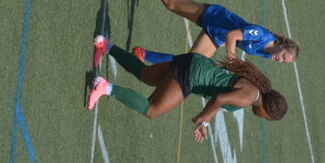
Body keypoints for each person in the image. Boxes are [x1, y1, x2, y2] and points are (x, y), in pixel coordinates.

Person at [88, 35, 288, 142]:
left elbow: (220, 101)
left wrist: (205, 122)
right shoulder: (249, 97)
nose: (262, 118)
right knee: (152, 110)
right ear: (268, 110)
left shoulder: (252, 91)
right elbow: (219, 99)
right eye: (266, 117)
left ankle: (105, 45)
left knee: (145, 74)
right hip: (193, 75)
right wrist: (202, 117)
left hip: (194, 62)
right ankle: (105, 87)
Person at [123, 0, 299, 64]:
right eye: (284, 56)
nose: (280, 60)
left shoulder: (267, 53)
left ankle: (142, 54)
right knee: (171, 3)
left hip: (217, 35)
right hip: (215, 17)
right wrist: (232, 60)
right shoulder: (262, 35)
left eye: (284, 61)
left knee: (189, 64)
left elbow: (236, 40)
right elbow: (232, 36)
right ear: (283, 46)